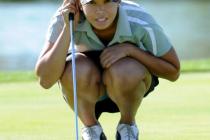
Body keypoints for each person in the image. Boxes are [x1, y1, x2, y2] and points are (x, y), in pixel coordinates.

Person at [35, 0, 180, 139]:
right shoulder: (65, 16)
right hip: (86, 89)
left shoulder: (138, 19)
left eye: (107, 1)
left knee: (126, 70)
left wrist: (131, 50)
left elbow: (173, 71)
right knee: (75, 66)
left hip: (128, 85)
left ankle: (127, 128)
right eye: (91, 3)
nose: (100, 11)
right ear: (79, 3)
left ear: (118, 1)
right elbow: (45, 80)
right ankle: (92, 131)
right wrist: (68, 28)